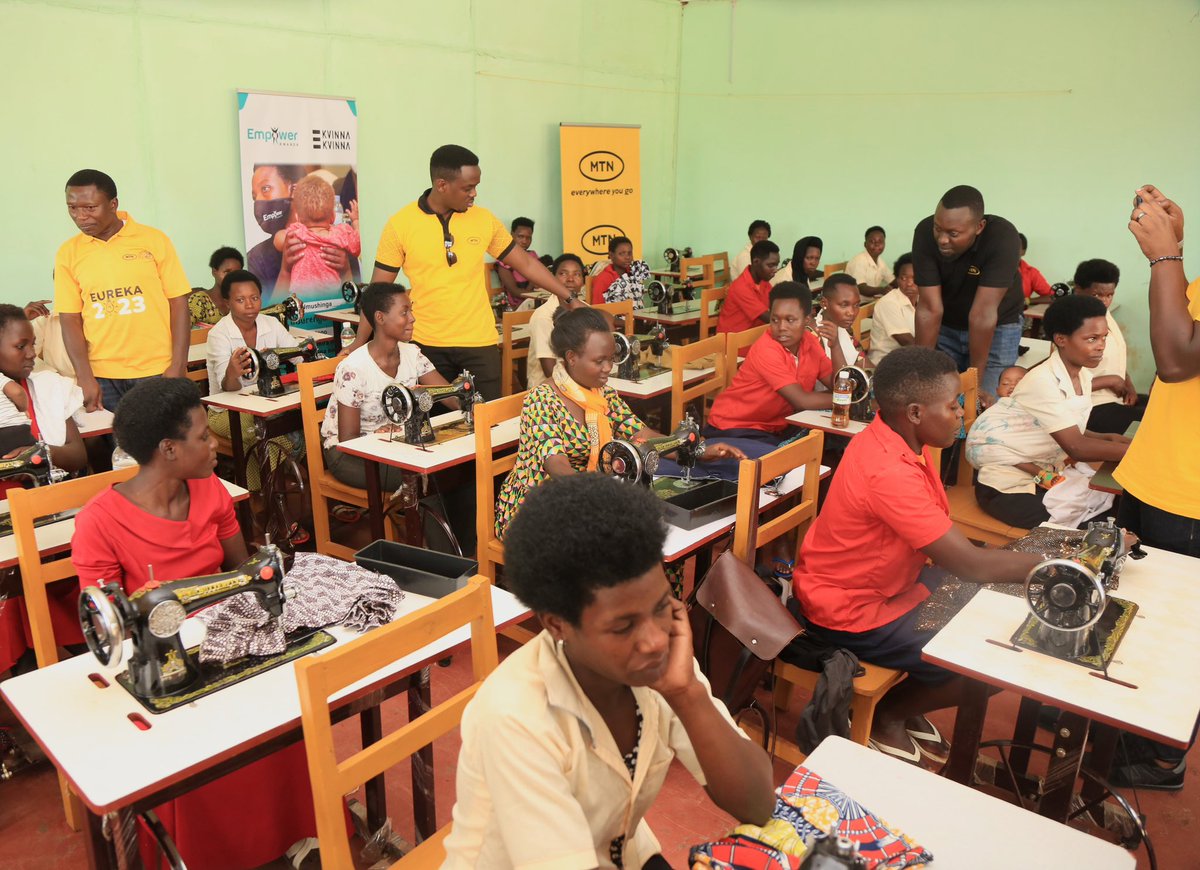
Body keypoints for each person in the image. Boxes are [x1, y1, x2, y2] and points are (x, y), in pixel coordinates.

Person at [443, 473, 775, 869]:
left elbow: (758, 803)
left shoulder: (656, 664)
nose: (654, 639)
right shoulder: (514, 717)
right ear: (557, 624)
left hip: (617, 850)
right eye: (623, 626)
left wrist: (688, 694)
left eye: (660, 608)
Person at [71, 378, 317, 868]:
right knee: (193, 734)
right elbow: (105, 627)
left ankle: (291, 828)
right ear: (168, 448)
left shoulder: (211, 492)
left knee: (287, 702)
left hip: (223, 637)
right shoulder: (99, 522)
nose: (213, 444)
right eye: (203, 436)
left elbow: (245, 576)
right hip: (158, 664)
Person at [791, 346, 1043, 763]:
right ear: (913, 412)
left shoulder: (897, 439)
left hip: (882, 587)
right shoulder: (889, 470)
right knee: (995, 657)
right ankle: (887, 713)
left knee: (990, 605)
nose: (962, 412)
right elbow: (970, 564)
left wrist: (1024, 559)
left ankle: (907, 702)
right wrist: (1060, 563)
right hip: (850, 613)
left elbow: (946, 540)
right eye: (953, 405)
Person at [494, 308, 743, 538]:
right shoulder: (541, 400)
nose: (608, 368)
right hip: (536, 506)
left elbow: (641, 434)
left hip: (590, 493)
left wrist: (695, 449)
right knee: (621, 546)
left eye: (611, 359)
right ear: (571, 357)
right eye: (599, 361)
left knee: (657, 535)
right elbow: (556, 465)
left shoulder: (603, 395)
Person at [360, 145, 580, 400]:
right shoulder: (401, 225)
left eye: (476, 186)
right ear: (442, 185)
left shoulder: (484, 220)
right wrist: (360, 343)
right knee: (436, 430)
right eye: (467, 188)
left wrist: (570, 299)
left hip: (479, 342)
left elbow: (527, 265)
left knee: (490, 425)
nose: (474, 194)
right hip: (425, 345)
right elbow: (378, 294)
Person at [1110, 184, 1197, 790]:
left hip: (1189, 494)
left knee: (1177, 632)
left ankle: (1159, 756)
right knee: (1140, 617)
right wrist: (1180, 256)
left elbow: (1175, 357)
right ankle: (1131, 726)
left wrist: (1163, 259)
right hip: (1162, 471)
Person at [966, 295, 1130, 529]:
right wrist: (1137, 452)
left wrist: (1106, 438)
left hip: (1041, 474)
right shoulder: (1042, 381)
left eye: (1104, 337)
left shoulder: (1082, 375)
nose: (1101, 345)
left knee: (1113, 507)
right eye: (1092, 338)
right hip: (1006, 486)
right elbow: (1076, 447)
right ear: (1061, 339)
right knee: (1094, 527)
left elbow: (1062, 424)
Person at [55, 169, 191, 412]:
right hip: (103, 376)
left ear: (113, 204)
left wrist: (178, 364)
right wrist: (85, 376)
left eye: (90, 207)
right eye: (72, 208)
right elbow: (69, 318)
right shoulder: (68, 253)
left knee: (163, 444)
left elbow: (178, 303)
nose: (80, 217)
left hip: (157, 369)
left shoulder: (154, 240)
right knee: (122, 449)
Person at [912, 185, 1024, 403]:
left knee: (986, 404)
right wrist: (922, 372)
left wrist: (975, 384)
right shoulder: (925, 233)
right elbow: (929, 308)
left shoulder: (1003, 238)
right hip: (948, 325)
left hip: (997, 328)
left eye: (953, 234)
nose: (942, 239)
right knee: (938, 399)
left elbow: (982, 314)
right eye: (938, 229)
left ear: (979, 227)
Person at [705, 283, 838, 467]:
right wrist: (845, 401)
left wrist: (835, 345)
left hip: (774, 427)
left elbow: (837, 383)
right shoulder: (767, 349)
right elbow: (802, 401)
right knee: (786, 464)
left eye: (790, 320)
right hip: (736, 427)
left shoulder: (810, 343)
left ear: (808, 319)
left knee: (828, 444)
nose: (781, 327)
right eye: (775, 320)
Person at [205, 270, 304, 492]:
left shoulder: (271, 324)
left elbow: (298, 355)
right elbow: (227, 388)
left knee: (303, 419)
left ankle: (277, 481)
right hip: (226, 411)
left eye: (254, 298)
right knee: (260, 432)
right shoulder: (219, 335)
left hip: (265, 403)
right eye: (240, 300)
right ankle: (260, 493)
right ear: (227, 302)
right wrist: (232, 372)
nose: (249, 305)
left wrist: (313, 357)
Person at [0, 305, 87, 473]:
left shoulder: (49, 386)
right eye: (20, 346)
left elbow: (79, 456)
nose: (32, 353)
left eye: (33, 344)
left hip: (42, 493)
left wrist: (40, 454)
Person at [1072, 258, 1144, 434]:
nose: (1104, 301)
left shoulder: (1103, 316)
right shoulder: (1071, 324)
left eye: (1109, 295)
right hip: (1089, 406)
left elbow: (1115, 357)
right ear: (1078, 289)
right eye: (1096, 295)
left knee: (1162, 408)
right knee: (1150, 425)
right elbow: (1063, 385)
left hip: (1114, 398)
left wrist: (1129, 385)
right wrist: (1111, 380)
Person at [272, 174, 360, 290]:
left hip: (302, 300)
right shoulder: (341, 234)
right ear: (333, 216)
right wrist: (355, 221)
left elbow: (277, 240)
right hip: (333, 299)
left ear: (298, 217)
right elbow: (357, 244)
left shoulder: (297, 234)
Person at [527, 253, 586, 391]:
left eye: (577, 274)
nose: (570, 279)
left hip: (580, 382)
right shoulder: (543, 316)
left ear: (583, 281)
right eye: (563, 274)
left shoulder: (585, 309)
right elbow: (550, 372)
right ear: (552, 279)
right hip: (548, 392)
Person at [715, 239, 779, 333]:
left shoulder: (763, 282)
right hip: (733, 343)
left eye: (776, 265)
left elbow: (777, 304)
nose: (775, 270)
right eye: (770, 265)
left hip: (752, 336)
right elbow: (767, 317)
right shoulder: (741, 287)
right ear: (756, 262)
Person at [867, 253, 918, 366]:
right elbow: (908, 342)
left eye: (915, 278)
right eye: (903, 278)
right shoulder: (889, 303)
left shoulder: (922, 299)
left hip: (909, 359)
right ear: (897, 279)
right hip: (886, 364)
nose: (909, 283)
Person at [814, 274, 867, 369]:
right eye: (844, 305)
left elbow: (863, 363)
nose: (851, 313)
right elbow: (839, 381)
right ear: (824, 303)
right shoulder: (814, 336)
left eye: (856, 305)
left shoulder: (844, 329)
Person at [188, 246, 243, 326]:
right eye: (227, 272)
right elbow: (182, 330)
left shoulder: (243, 300)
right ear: (214, 272)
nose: (232, 277)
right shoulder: (199, 301)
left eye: (237, 273)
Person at [496, 217, 540, 308]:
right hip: (516, 307)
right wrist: (539, 296)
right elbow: (514, 291)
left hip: (534, 301)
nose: (524, 241)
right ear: (511, 235)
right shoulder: (504, 261)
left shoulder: (532, 256)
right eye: (520, 236)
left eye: (528, 238)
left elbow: (539, 279)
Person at [845, 226, 894, 298]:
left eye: (880, 241)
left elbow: (892, 280)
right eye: (872, 241)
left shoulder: (880, 261)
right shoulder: (859, 261)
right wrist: (881, 290)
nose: (877, 244)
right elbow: (861, 288)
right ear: (865, 244)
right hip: (857, 302)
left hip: (871, 300)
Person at [591, 236, 634, 304]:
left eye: (630, 253)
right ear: (611, 255)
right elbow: (598, 309)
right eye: (622, 254)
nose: (627, 257)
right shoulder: (602, 280)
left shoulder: (633, 274)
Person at [1018, 233, 1053, 300]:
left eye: (1015, 247)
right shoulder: (993, 269)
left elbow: (1051, 296)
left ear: (1023, 252)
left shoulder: (1030, 272)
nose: (1010, 251)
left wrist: (1027, 301)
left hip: (1021, 310)